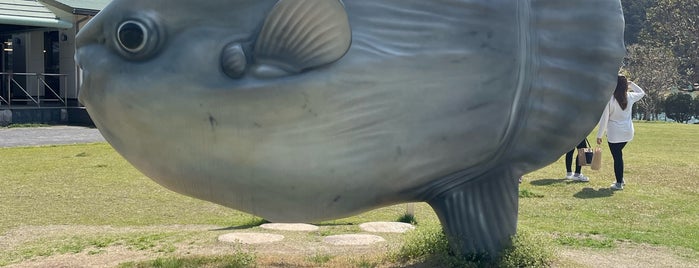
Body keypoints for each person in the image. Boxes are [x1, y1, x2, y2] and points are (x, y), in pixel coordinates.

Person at [596, 75, 645, 190]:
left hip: (614, 133)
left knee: (617, 157)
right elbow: (642, 92)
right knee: (619, 155)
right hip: (627, 132)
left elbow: (605, 119)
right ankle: (620, 179)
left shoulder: (610, 100)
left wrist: (599, 135)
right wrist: (631, 83)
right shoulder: (630, 96)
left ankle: (619, 183)